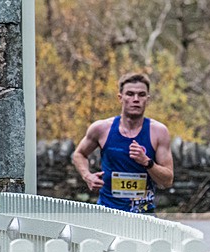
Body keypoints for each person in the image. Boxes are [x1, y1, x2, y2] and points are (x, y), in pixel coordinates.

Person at [72, 72, 174, 214]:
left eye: (141, 95)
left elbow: (167, 180)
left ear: (147, 99)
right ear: (120, 98)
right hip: (108, 213)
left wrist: (147, 162)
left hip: (144, 215)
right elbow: (79, 154)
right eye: (130, 94)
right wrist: (87, 176)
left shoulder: (158, 132)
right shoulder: (102, 128)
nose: (136, 99)